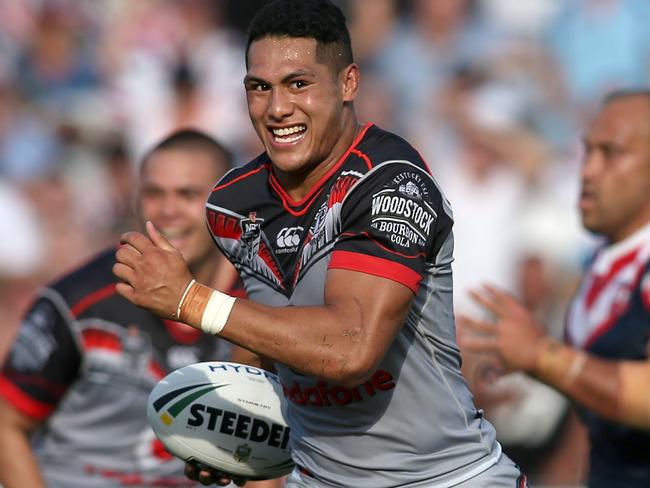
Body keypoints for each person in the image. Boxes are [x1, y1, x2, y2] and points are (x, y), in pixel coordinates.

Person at [113, 1, 528, 487]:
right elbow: (264, 335)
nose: (277, 108)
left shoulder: (391, 181)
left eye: (299, 84)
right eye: (259, 88)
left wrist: (192, 300)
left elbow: (351, 351)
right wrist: (228, 430)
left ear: (348, 83)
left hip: (449, 477)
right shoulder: (232, 204)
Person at [0, 129, 278, 488]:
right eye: (153, 193)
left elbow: (263, 452)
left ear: (228, 204)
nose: (167, 210)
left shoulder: (260, 304)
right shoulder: (78, 300)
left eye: (188, 194)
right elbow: (7, 423)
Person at [458, 89, 650, 487]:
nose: (588, 170)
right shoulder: (605, 261)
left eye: (610, 154)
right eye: (587, 151)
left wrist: (543, 356)